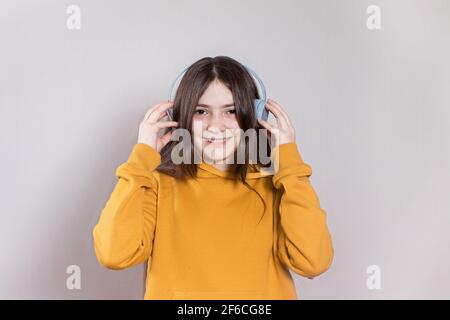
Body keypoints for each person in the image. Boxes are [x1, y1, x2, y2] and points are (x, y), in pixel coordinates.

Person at [92, 56, 334, 300]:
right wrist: (141, 160)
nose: (215, 126)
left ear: (255, 115)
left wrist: (289, 164)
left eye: (231, 111)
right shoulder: (155, 182)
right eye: (200, 111)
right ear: (179, 117)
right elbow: (115, 254)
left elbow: (313, 262)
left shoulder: (277, 182)